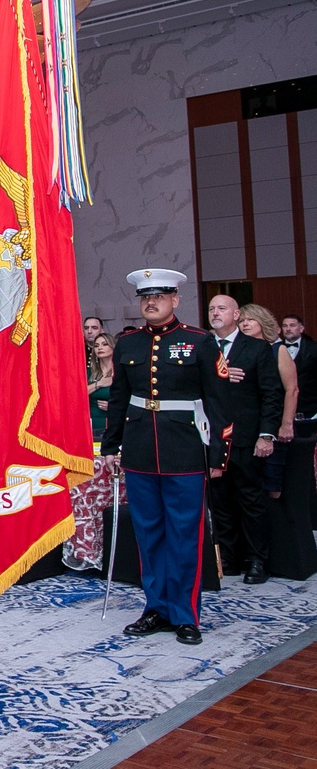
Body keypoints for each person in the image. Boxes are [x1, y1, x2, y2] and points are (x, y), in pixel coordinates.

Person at [102, 268, 231, 646]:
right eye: (145, 297)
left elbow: (219, 404)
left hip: (186, 451)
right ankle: (156, 608)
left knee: (184, 536)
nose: (151, 302)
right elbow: (119, 401)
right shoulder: (128, 343)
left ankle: (186, 614)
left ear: (175, 299)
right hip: (141, 451)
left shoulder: (198, 341)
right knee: (148, 535)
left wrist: (219, 454)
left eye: (159, 296)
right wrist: (112, 446)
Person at [207, 294, 283, 583]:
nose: (215, 313)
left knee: (251, 501)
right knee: (220, 502)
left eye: (222, 308)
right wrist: (221, 375)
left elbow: (271, 394)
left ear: (236, 314)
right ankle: (227, 556)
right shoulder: (203, 346)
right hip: (213, 438)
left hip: (247, 436)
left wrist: (266, 435)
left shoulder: (256, 348)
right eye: (212, 308)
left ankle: (256, 560)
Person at [237, 304, 297, 500]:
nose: (245, 324)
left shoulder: (277, 350)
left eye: (250, 319)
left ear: (262, 322)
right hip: (247, 426)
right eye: (241, 321)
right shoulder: (238, 352)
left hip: (274, 424)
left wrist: (286, 424)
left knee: (273, 484)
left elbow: (292, 390)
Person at [281, 314, 316, 417]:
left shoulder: (313, 348)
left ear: (301, 328)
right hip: (283, 409)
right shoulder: (274, 349)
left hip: (311, 407)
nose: (288, 329)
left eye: (292, 325)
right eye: (285, 326)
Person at [87, 332, 116, 433]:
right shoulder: (88, 372)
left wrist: (114, 407)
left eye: (105, 344)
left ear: (113, 346)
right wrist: (99, 383)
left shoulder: (121, 372)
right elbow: (77, 395)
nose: (99, 348)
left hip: (113, 421)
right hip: (90, 423)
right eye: (96, 345)